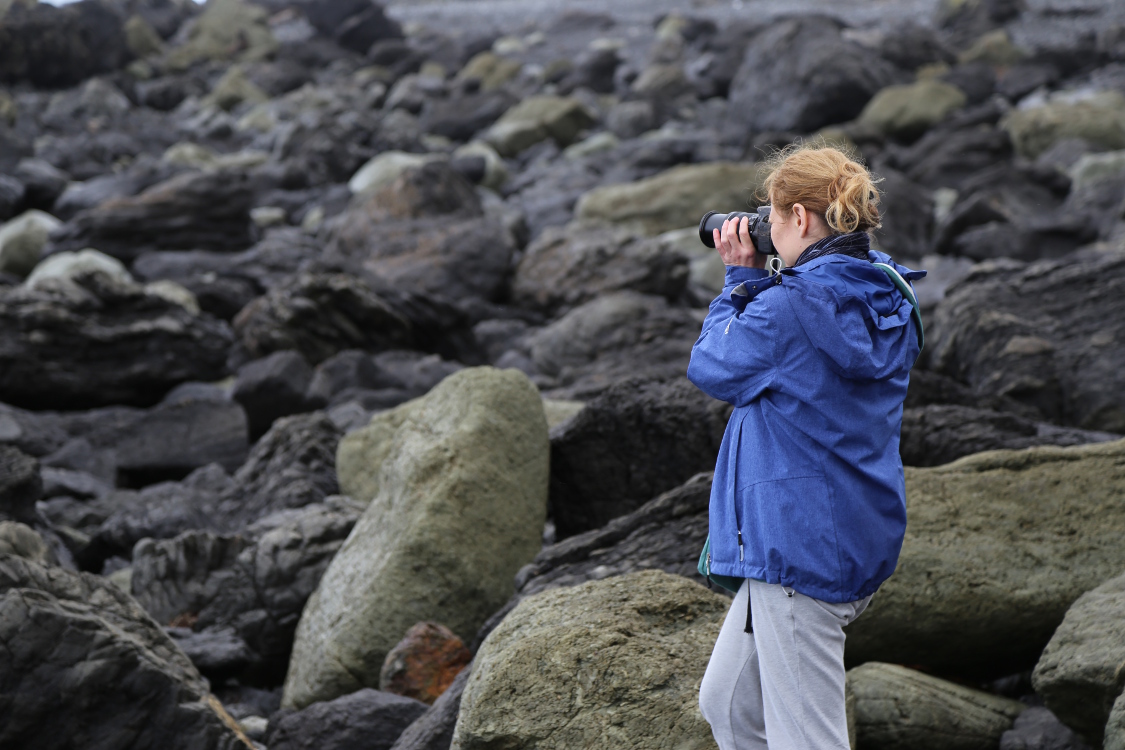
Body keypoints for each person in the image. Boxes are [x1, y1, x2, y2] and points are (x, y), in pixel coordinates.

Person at [688, 145, 925, 750]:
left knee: (806, 740)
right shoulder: (886, 290)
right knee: (731, 704)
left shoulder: (787, 308)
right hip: (851, 524)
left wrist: (739, 279)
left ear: (797, 217)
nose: (764, 231)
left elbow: (712, 364)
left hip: (800, 546)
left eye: (770, 217)